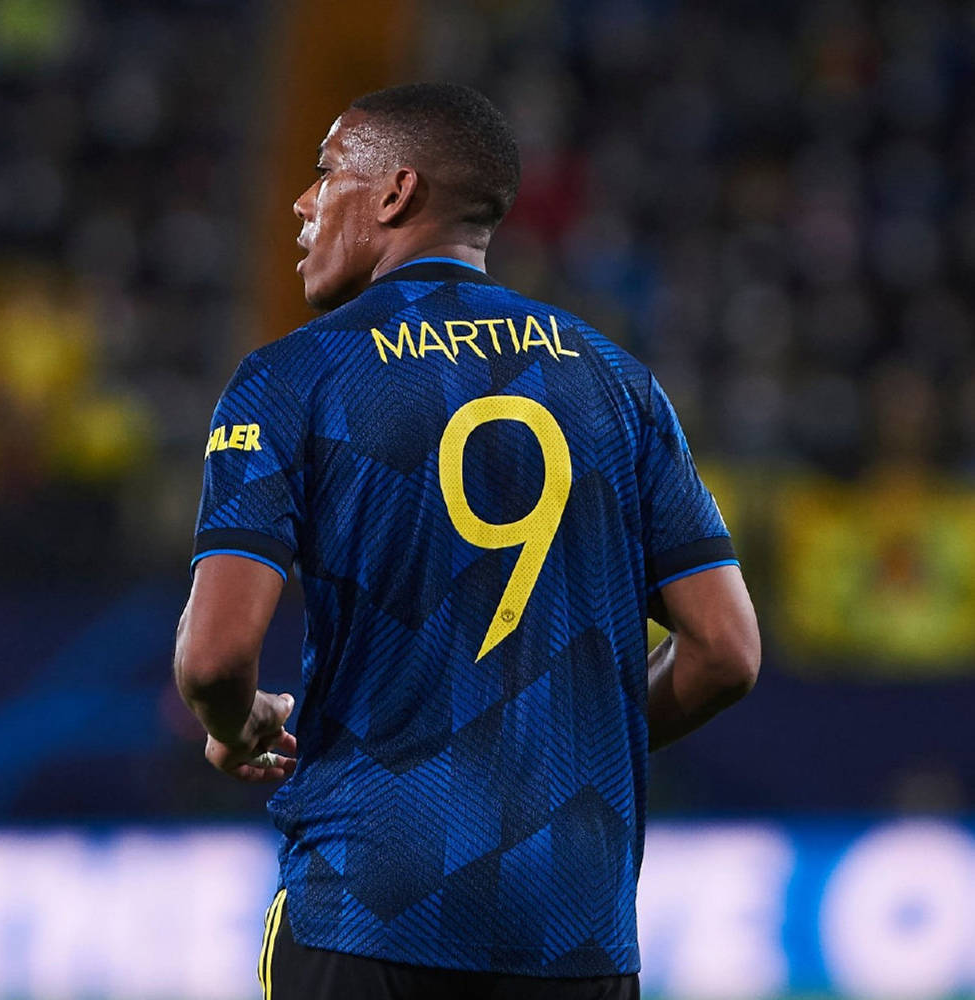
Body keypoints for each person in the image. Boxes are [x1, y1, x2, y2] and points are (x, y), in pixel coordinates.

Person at [173, 83, 760, 1000]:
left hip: (368, 902)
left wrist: (236, 723)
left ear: (395, 193)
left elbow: (212, 660)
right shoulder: (619, 384)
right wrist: (569, 752)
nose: (301, 201)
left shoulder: (293, 379)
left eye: (326, 173)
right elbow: (725, 651)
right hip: (576, 925)